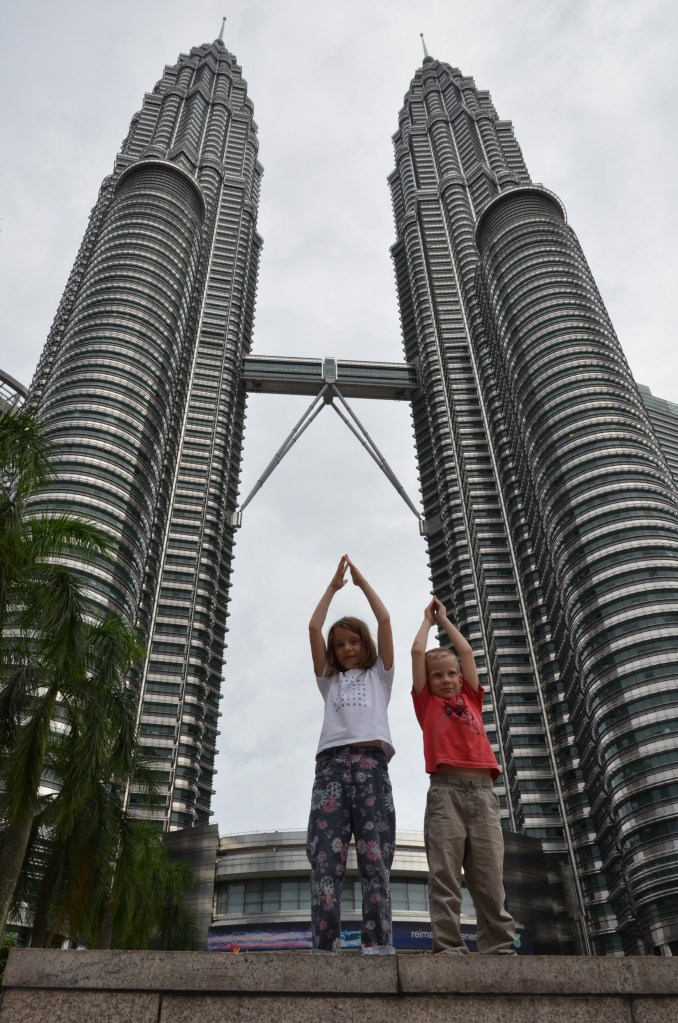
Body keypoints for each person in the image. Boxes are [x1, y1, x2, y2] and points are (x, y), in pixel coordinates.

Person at [411, 594, 517, 955]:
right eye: (437, 675)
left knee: (489, 877)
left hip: (483, 794)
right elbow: (416, 653)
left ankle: (499, 946)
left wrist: (445, 621)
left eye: (451, 674)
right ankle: (448, 946)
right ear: (428, 682)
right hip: (446, 794)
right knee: (445, 875)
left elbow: (468, 652)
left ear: (460, 677)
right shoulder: (427, 703)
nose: (446, 680)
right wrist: (427, 622)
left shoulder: (472, 698)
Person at [306, 554, 396, 955]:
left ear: (365, 644)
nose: (346, 648)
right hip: (331, 769)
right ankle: (325, 946)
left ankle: (377, 945)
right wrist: (332, 588)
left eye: (353, 641)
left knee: (375, 858)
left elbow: (385, 620)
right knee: (326, 861)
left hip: (371, 766)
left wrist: (361, 583)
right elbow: (313, 627)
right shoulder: (329, 680)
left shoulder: (380, 675)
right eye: (339, 644)